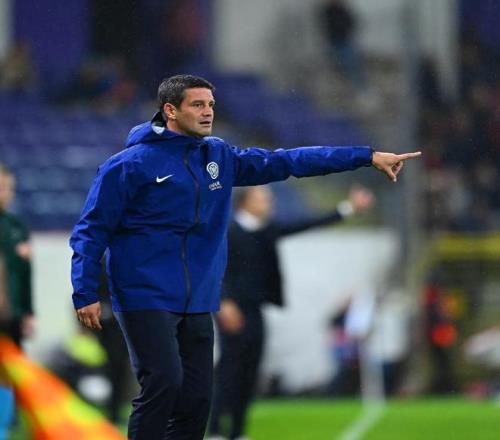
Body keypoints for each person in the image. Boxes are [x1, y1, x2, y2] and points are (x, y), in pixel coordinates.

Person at [70, 74, 421, 440]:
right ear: (170, 110)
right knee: (164, 381)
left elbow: (288, 161)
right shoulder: (128, 165)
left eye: (210, 105)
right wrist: (85, 291)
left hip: (198, 299)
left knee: (198, 400)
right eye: (197, 105)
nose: (208, 112)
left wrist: (365, 157)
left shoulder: (219, 157)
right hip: (144, 295)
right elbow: (90, 231)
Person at [207, 184, 374, 440]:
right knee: (229, 371)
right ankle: (216, 430)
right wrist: (224, 302)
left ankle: (238, 432)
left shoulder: (266, 230)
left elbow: (306, 223)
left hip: (256, 310)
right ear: (245, 202)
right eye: (262, 198)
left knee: (250, 372)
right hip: (231, 311)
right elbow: (215, 268)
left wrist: (348, 209)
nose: (269, 202)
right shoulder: (228, 231)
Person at [0, 163, 34, 438]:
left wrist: (28, 312)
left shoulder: (16, 226)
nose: (6, 193)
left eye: (9, 188)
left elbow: (25, 274)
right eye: (1, 187)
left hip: (11, 313)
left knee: (10, 371)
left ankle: (7, 422)